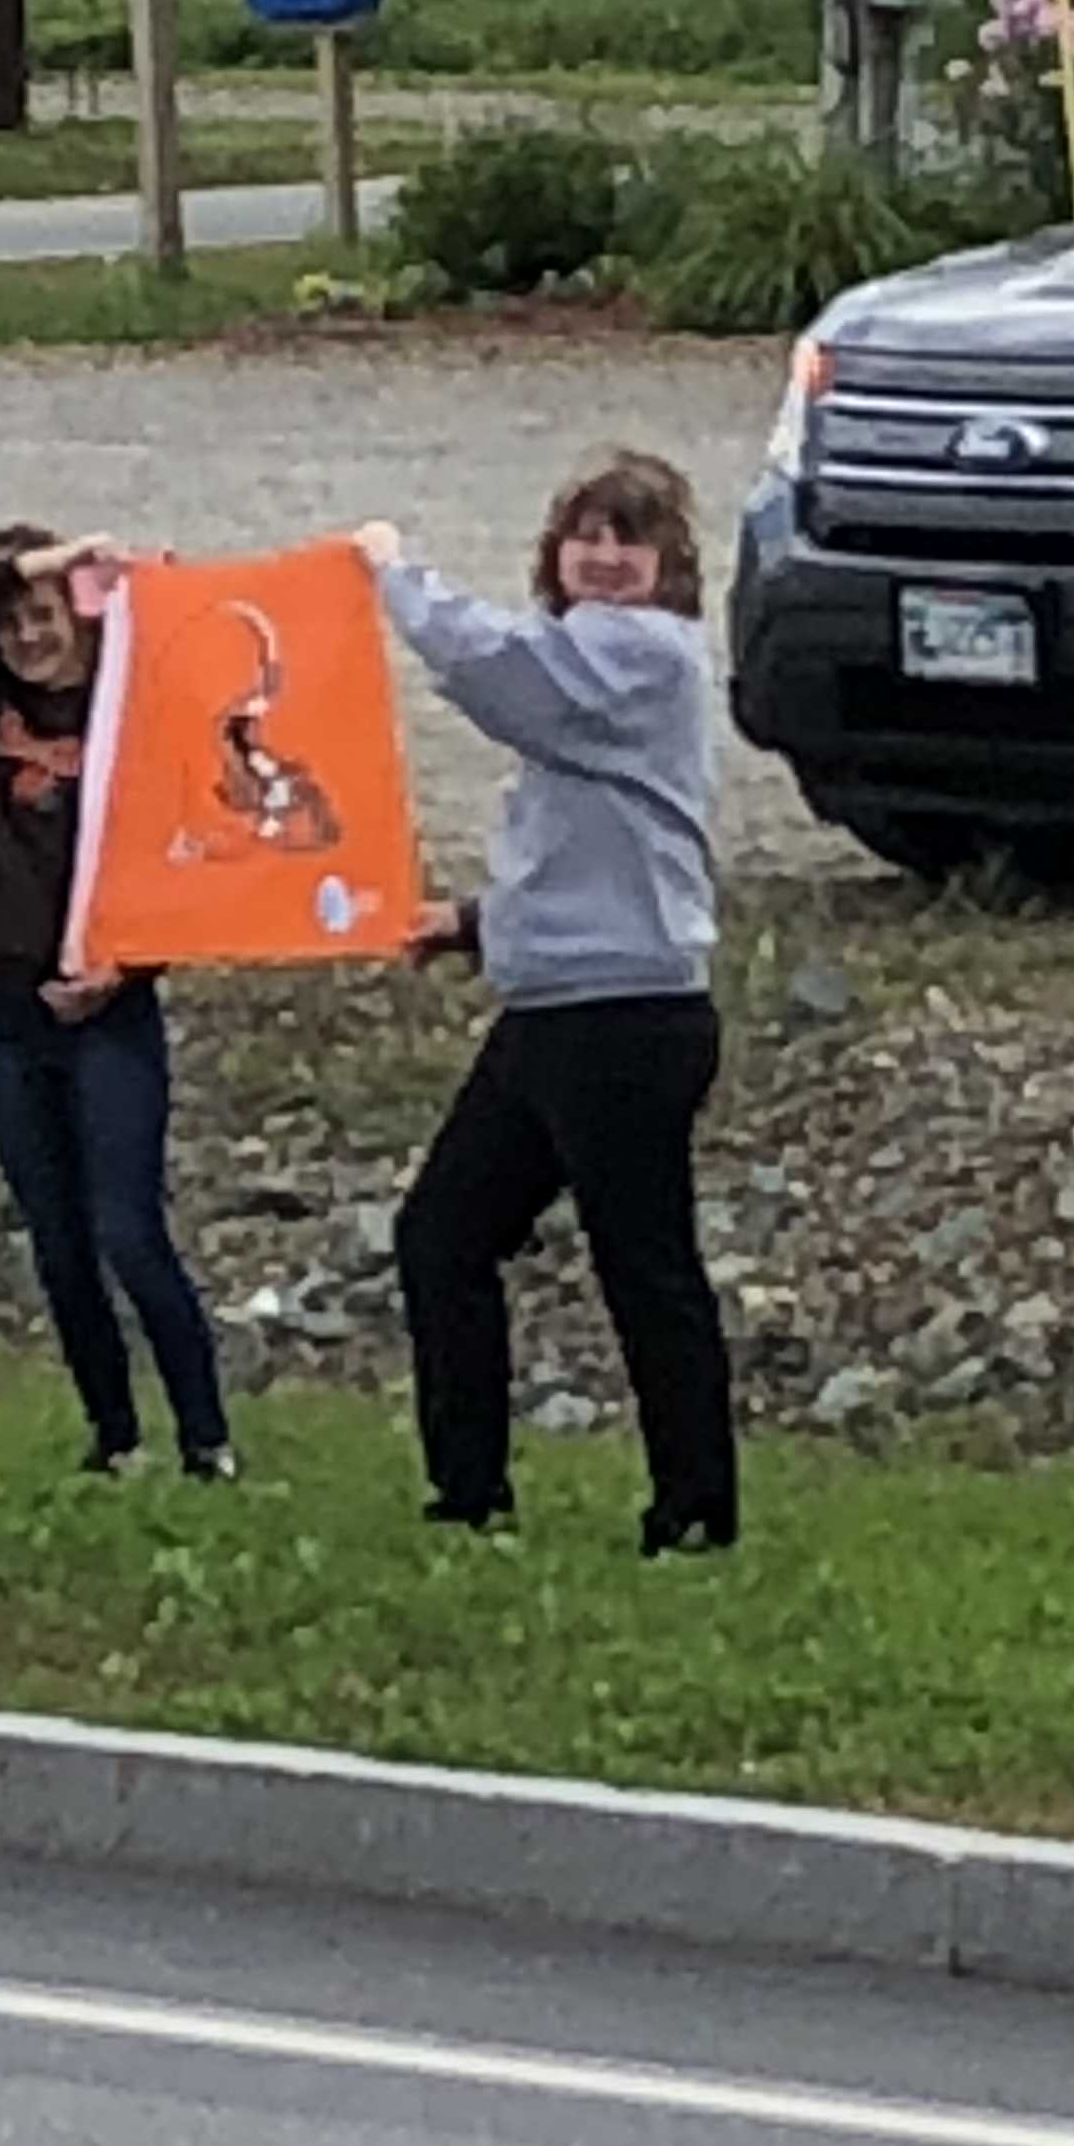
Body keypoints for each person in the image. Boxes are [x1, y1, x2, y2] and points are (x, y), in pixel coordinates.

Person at [359, 458, 733, 1555]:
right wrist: (475, 923)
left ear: (668, 569)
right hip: (557, 1006)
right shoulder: (592, 663)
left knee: (645, 1265)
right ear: (556, 552)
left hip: (625, 1018)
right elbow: (602, 840)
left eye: (631, 541)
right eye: (586, 538)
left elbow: (499, 672)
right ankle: (469, 1500)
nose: (606, 558)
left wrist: (392, 573)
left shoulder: (641, 651)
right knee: (443, 1236)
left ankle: (697, 1513)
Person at [0, 522, 236, 1483]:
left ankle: (205, 1436)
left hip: (109, 1018)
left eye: (44, 618)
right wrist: (41, 563)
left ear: (81, 624)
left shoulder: (127, 717)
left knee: (127, 1231)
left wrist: (127, 971)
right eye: (10, 621)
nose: (27, 638)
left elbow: (179, 868)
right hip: (8, 1013)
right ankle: (113, 1435)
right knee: (57, 1244)